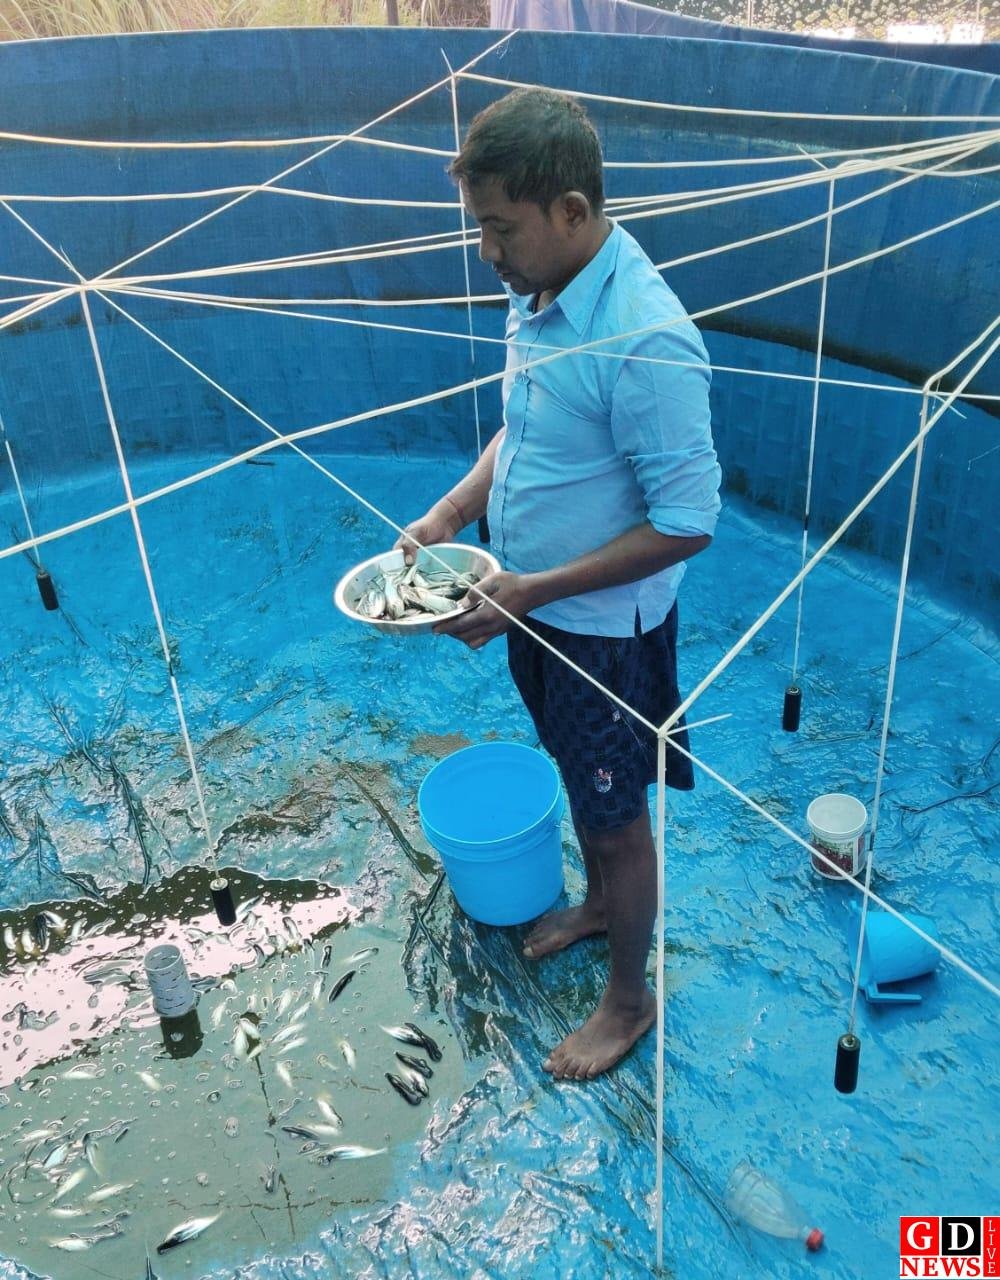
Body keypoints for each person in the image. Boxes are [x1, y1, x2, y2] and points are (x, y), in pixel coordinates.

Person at [396, 87, 721, 1081]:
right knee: (584, 782)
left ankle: (628, 1000)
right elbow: (526, 426)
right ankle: (599, 908)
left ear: (571, 211)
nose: (485, 250)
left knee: (617, 822)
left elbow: (687, 520)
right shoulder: (541, 289)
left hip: (598, 634)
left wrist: (533, 590)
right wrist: (453, 513)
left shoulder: (646, 338)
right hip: (536, 609)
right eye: (478, 226)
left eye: (500, 227)